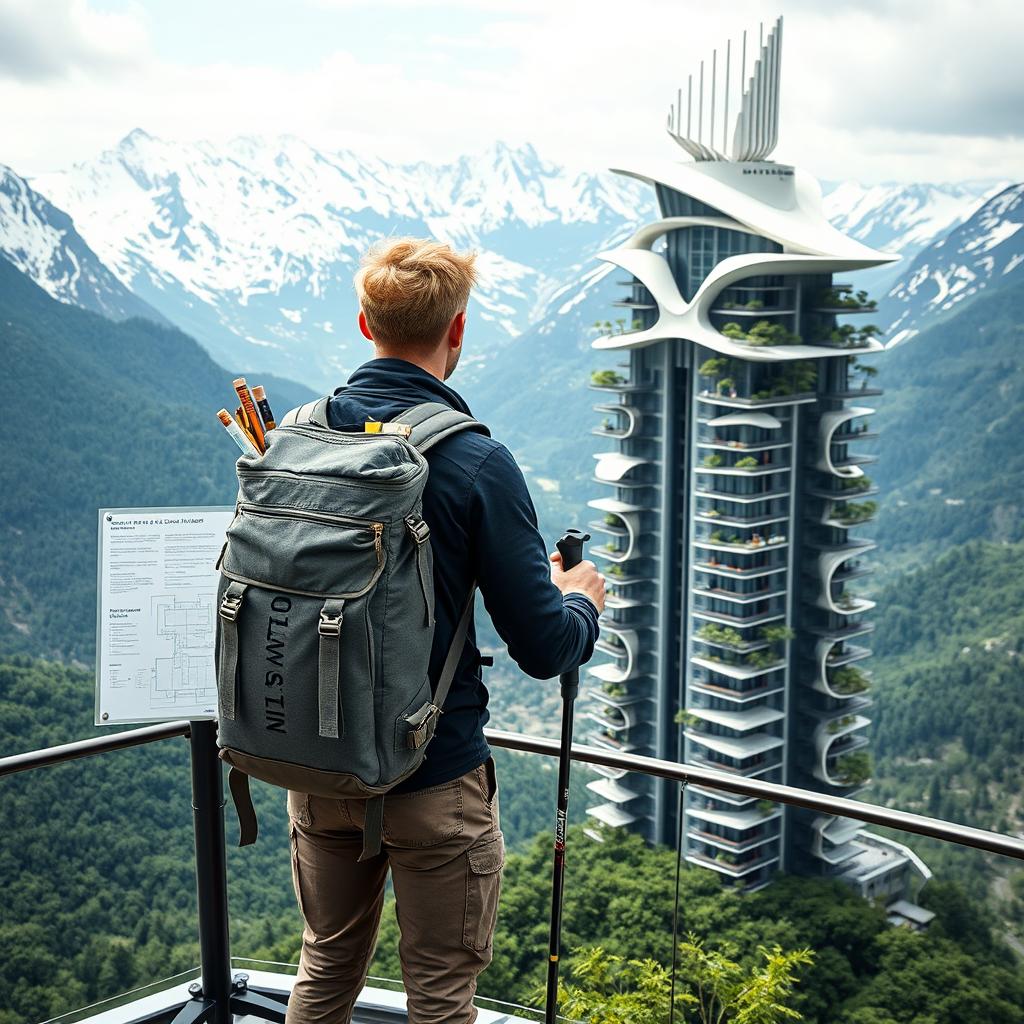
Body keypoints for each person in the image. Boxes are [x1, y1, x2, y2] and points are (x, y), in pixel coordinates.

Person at [285, 237, 605, 1024]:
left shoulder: (297, 434)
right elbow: (542, 646)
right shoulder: (474, 461)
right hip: (434, 778)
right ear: (457, 331)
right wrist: (583, 602)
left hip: (317, 766)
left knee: (324, 969)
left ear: (365, 325)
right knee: (439, 996)